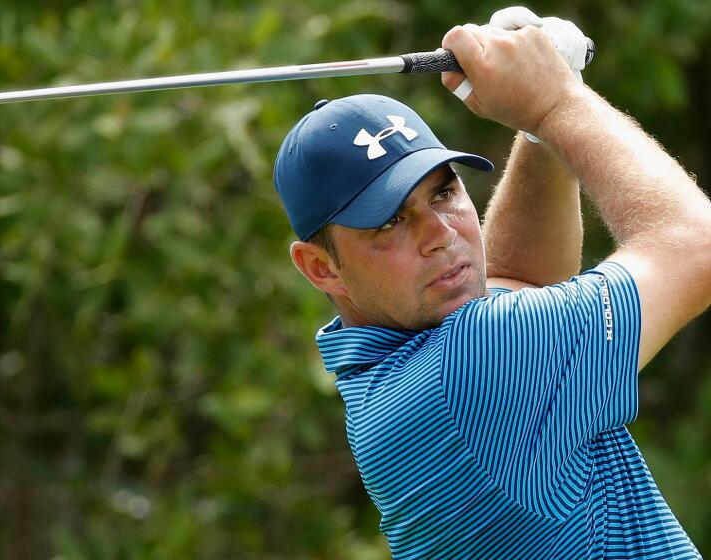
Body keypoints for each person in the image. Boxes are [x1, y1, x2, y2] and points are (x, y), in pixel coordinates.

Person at [272, 16, 711, 560]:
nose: (440, 234)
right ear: (320, 268)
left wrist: (536, 130)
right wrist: (554, 102)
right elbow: (697, 246)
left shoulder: (387, 373)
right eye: (388, 221)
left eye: (443, 193)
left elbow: (518, 282)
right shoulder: (475, 364)